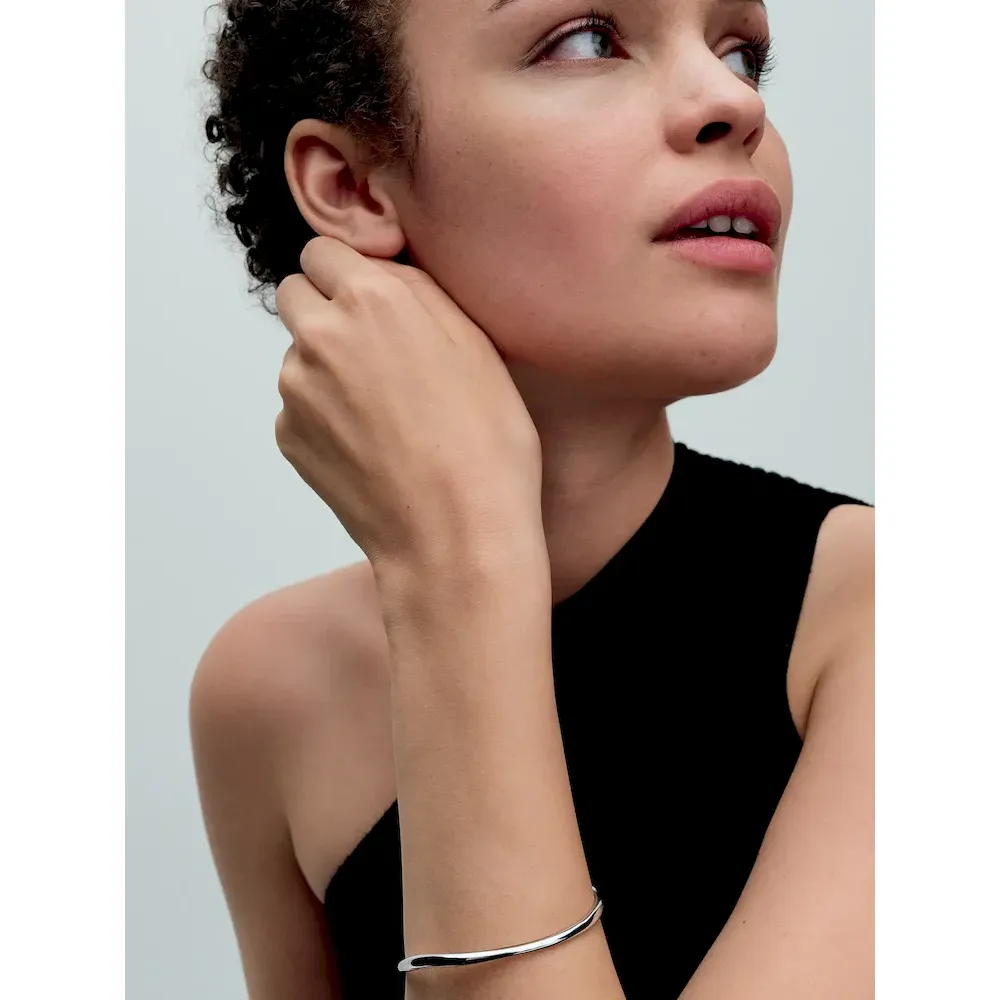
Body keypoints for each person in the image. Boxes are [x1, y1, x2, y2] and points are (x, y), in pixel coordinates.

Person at [190, 1, 874, 999]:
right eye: (588, 40)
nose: (733, 102)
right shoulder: (270, 690)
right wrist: (456, 561)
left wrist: (455, 572)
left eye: (741, 53)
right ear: (352, 187)